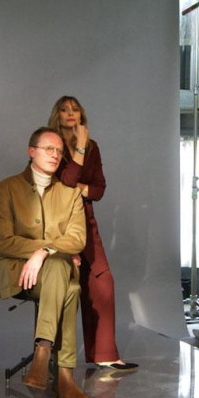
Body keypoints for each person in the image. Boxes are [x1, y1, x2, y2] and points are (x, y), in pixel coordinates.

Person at [0, 126, 90, 398]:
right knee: (66, 276)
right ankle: (64, 374)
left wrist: (44, 252)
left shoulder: (70, 194)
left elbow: (78, 239)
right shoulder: (7, 188)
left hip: (56, 274)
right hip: (23, 275)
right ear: (31, 151)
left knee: (65, 280)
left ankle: (44, 352)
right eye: (48, 149)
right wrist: (47, 250)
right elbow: (4, 241)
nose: (55, 155)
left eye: (59, 151)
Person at [47, 96, 138, 371]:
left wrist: (77, 186)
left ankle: (105, 354)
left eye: (75, 109)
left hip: (85, 220)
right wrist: (79, 150)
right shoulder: (51, 144)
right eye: (64, 109)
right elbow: (64, 182)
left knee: (102, 282)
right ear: (57, 115)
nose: (70, 113)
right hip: (57, 223)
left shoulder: (93, 146)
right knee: (64, 286)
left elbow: (98, 189)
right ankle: (53, 357)